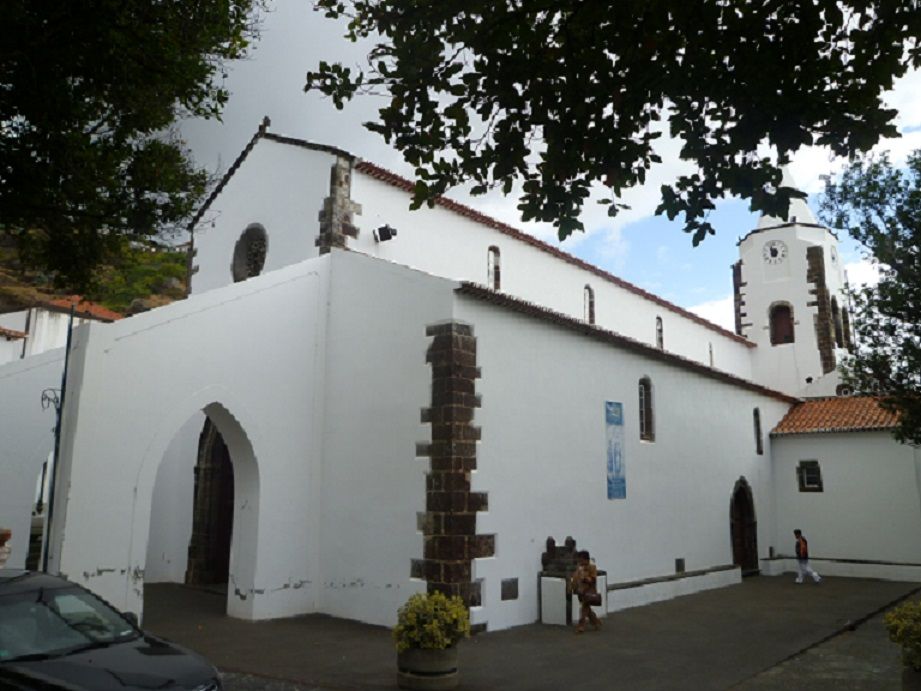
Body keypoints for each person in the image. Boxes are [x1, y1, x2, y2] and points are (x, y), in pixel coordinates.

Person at [570, 550, 601, 633]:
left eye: (581, 559)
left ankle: (581, 626)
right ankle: (596, 622)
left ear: (585, 559)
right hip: (580, 590)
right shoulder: (579, 567)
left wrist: (585, 578)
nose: (579, 561)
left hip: (588, 591)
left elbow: (593, 579)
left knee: (584, 609)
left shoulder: (592, 567)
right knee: (587, 610)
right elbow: (575, 577)